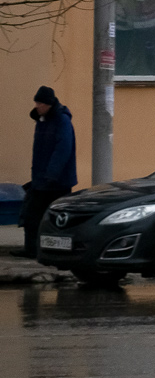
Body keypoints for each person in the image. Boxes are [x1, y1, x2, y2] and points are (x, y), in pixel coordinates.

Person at [13, 87, 76, 259]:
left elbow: (63, 149)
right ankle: (33, 249)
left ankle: (49, 250)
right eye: (36, 102)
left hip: (56, 181)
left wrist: (51, 175)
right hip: (43, 179)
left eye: (40, 103)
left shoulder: (61, 121)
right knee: (32, 215)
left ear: (48, 104)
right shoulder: (43, 120)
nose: (37, 106)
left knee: (51, 217)